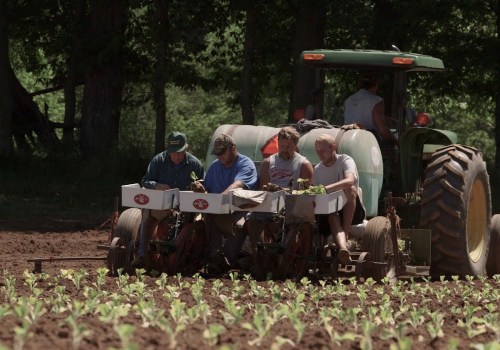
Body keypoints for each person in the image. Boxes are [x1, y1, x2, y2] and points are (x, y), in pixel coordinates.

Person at [246, 126, 314, 279]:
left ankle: (284, 261)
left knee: (290, 219)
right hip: (270, 204)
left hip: (292, 206)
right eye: (282, 146)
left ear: (295, 145)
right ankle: (258, 257)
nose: (285, 149)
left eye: (288, 146)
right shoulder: (267, 163)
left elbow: (305, 191)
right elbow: (263, 188)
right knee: (252, 219)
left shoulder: (303, 164)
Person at [132, 131, 205, 268]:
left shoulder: (195, 164)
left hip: (186, 208)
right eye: (174, 152)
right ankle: (142, 254)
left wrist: (199, 187)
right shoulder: (158, 161)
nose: (177, 156)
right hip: (161, 205)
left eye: (180, 152)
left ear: (186, 148)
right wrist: (157, 185)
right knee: (147, 213)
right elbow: (145, 181)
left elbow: (205, 186)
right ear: (168, 150)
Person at [202, 133, 258, 274]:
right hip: (218, 211)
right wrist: (200, 189)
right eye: (217, 153)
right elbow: (206, 189)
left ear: (233, 148)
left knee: (241, 224)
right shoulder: (215, 167)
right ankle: (214, 257)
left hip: (240, 210)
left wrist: (220, 199)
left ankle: (227, 259)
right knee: (206, 217)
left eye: (223, 152)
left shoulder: (246, 164)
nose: (220, 156)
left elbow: (238, 185)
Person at [312, 133, 365, 265]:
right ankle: (343, 248)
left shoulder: (345, 160)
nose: (320, 154)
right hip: (329, 213)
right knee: (332, 214)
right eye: (317, 151)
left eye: (323, 150)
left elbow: (350, 180)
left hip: (352, 210)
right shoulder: (317, 170)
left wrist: (327, 188)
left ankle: (345, 236)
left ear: (333, 148)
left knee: (350, 188)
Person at [343, 71, 398, 146]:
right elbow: (383, 131)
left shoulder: (348, 100)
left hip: (347, 138)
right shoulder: (376, 101)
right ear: (376, 85)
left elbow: (362, 115)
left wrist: (388, 119)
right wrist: (396, 142)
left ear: (360, 84)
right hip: (367, 142)